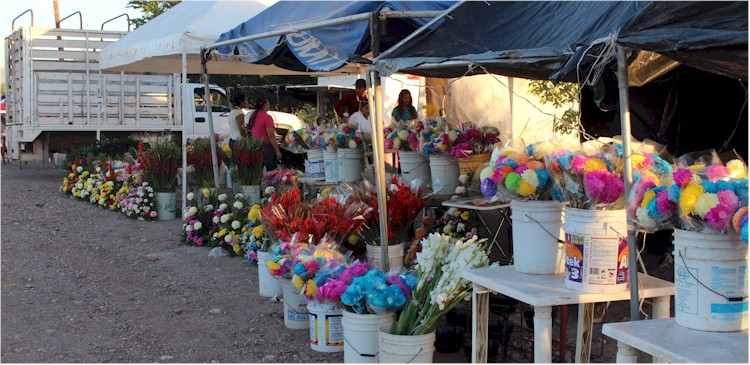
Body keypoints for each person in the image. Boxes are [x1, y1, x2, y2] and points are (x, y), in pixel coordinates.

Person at [246, 97, 282, 172]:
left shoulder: (253, 116)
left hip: (255, 146)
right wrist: (277, 150)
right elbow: (271, 136)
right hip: (266, 147)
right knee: (272, 173)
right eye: (268, 103)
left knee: (257, 172)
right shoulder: (267, 117)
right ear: (265, 105)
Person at [228, 91, 248, 164]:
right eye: (246, 100)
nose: (247, 102)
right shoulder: (239, 113)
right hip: (239, 141)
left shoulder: (232, 112)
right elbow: (242, 130)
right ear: (242, 102)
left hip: (233, 139)